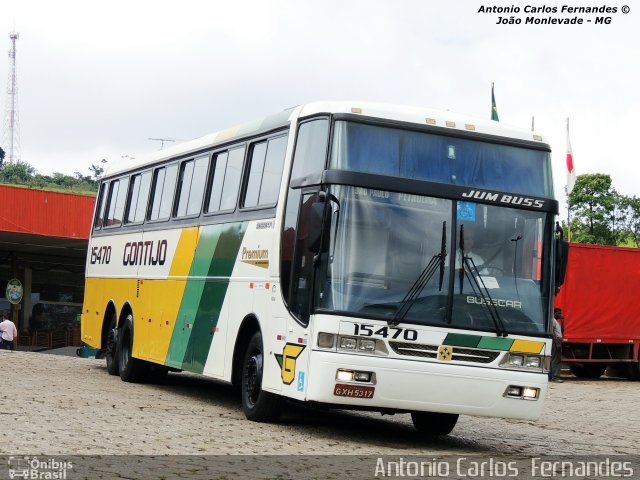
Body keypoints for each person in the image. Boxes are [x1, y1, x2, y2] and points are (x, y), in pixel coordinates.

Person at [550, 308, 564, 382]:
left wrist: (562, 322)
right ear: (554, 313)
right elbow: (553, 332)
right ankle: (555, 377)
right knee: (556, 360)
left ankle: (555, 376)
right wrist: (556, 342)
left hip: (558, 340)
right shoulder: (552, 320)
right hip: (556, 341)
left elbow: (561, 332)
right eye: (559, 313)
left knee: (557, 359)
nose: (560, 315)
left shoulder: (556, 321)